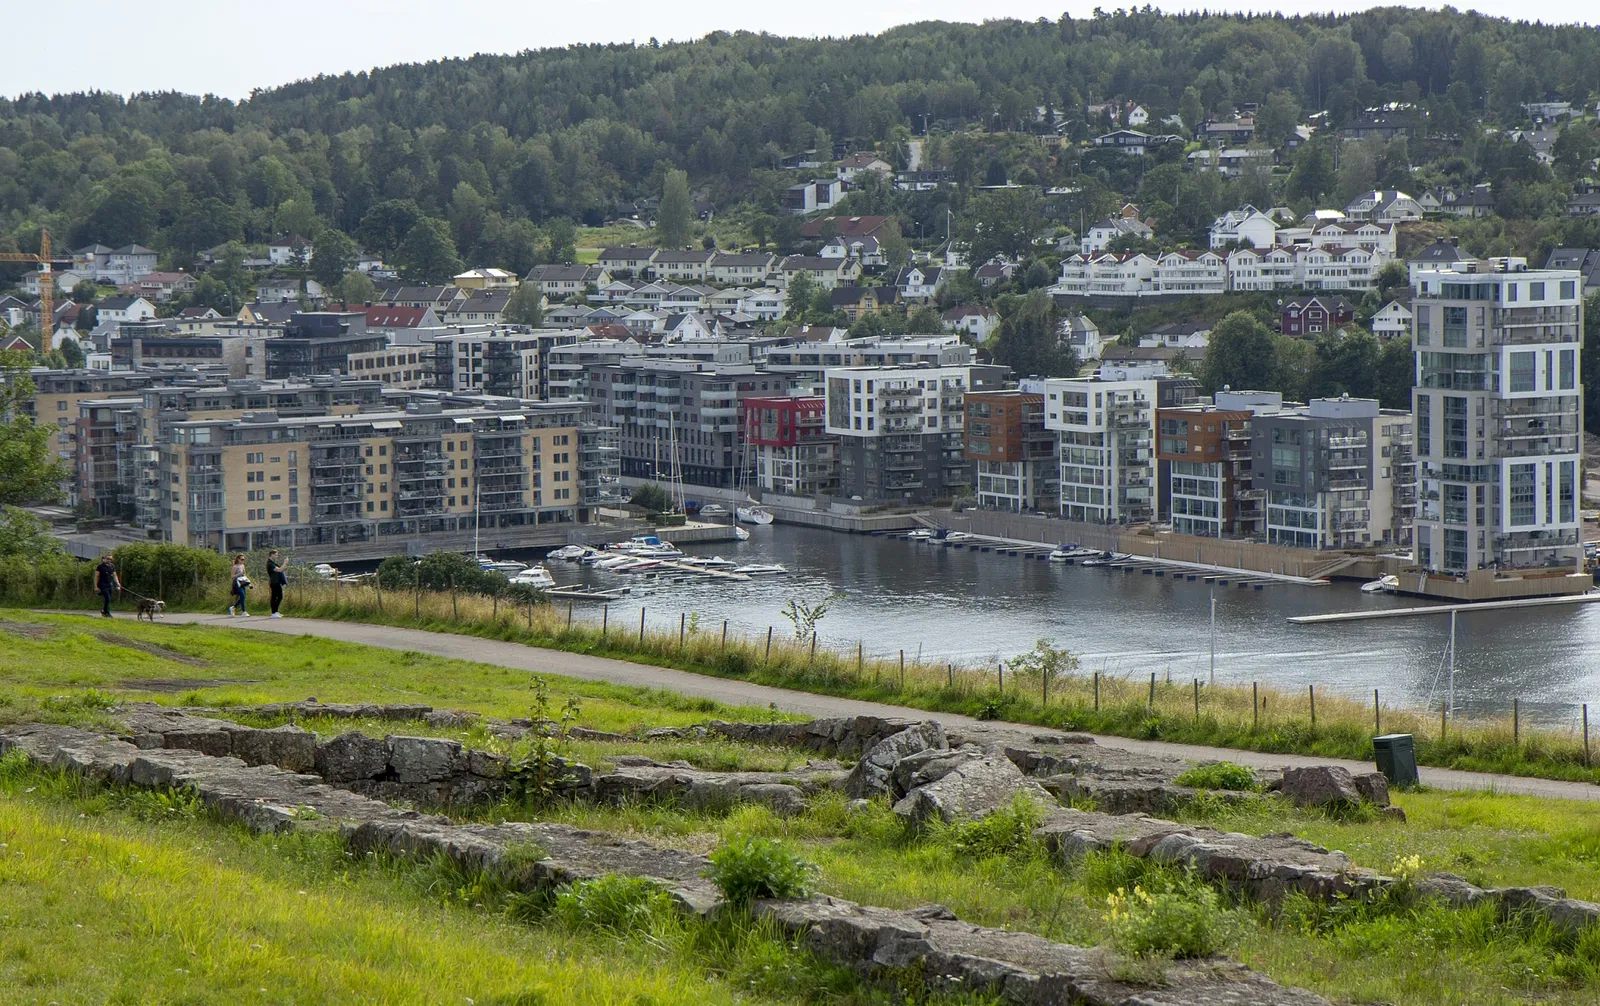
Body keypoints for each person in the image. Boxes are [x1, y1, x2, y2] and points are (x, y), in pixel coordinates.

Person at [266, 549, 286, 618]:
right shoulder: (270, 564)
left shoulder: (273, 563)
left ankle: (275, 612)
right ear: (272, 554)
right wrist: (285, 563)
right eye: (276, 554)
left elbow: (281, 569)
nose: (277, 556)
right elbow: (280, 569)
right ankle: (274, 612)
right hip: (274, 582)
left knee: (275, 597)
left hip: (276, 582)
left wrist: (284, 565)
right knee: (279, 596)